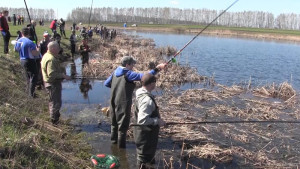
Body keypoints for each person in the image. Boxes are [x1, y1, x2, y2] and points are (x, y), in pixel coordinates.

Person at [104, 56, 166, 148]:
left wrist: (117, 89)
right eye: (132, 64)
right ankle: (121, 149)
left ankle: (113, 144)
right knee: (122, 126)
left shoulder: (115, 72)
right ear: (127, 64)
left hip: (113, 100)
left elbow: (106, 83)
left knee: (114, 123)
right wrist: (157, 68)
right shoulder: (128, 74)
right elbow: (145, 77)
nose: (133, 66)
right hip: (123, 102)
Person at [134, 73, 166, 169]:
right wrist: (157, 121)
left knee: (144, 156)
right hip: (145, 136)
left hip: (141, 133)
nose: (155, 84)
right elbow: (142, 120)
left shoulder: (139, 91)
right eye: (154, 82)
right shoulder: (147, 100)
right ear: (151, 83)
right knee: (143, 158)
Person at [41, 41, 71, 124]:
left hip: (50, 83)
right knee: (55, 103)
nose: (59, 49)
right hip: (52, 84)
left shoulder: (47, 55)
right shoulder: (51, 59)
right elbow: (51, 75)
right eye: (58, 48)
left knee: (54, 102)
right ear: (53, 49)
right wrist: (63, 75)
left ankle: (55, 119)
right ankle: (54, 121)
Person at [14, 27, 40, 98]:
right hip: (29, 60)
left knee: (27, 77)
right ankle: (31, 94)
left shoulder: (19, 41)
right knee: (34, 76)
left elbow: (16, 50)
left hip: (22, 60)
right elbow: (35, 54)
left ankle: (28, 92)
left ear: (22, 33)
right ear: (29, 33)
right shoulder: (30, 42)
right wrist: (38, 49)